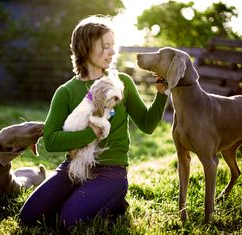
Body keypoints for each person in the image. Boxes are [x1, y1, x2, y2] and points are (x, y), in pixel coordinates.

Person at [19, 14, 168, 230]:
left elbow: (147, 124)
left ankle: (111, 200)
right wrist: (92, 133)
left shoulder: (121, 83)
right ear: (84, 47)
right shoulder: (66, 92)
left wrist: (162, 94)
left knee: (68, 221)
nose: (111, 51)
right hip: (73, 167)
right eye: (104, 46)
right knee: (29, 217)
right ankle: (86, 198)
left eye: (112, 46)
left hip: (111, 171)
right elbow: (51, 141)